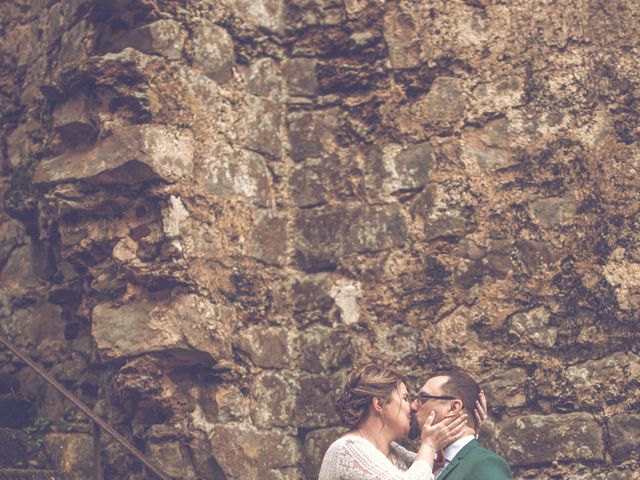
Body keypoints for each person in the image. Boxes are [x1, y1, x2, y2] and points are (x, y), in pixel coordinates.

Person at [318, 364, 486, 480]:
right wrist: (428, 445)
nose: (412, 406)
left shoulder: (393, 452)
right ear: (379, 404)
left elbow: (441, 468)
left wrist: (468, 430)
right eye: (405, 398)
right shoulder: (348, 449)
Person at [410, 368, 512, 480]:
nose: (413, 406)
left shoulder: (486, 464)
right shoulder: (421, 462)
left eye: (423, 398)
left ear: (453, 408)